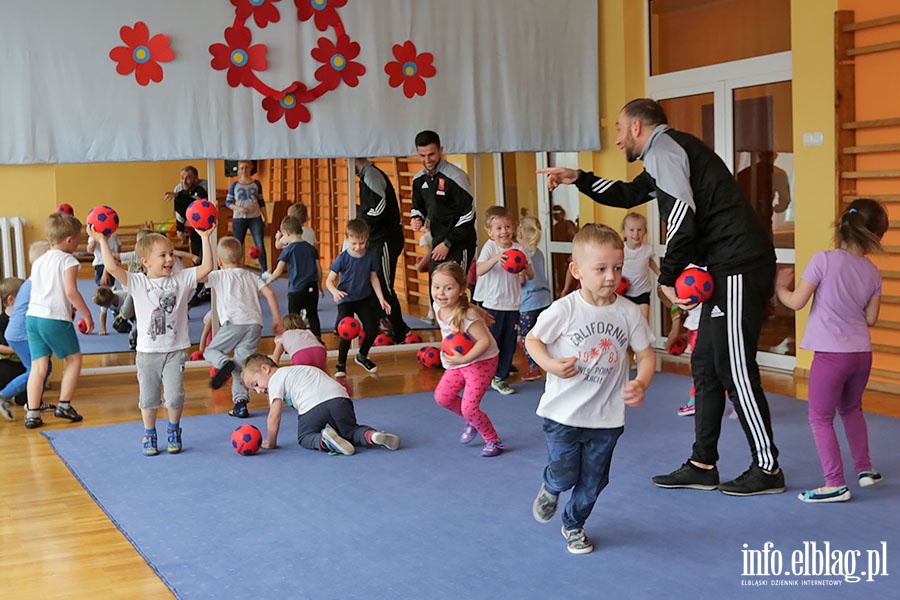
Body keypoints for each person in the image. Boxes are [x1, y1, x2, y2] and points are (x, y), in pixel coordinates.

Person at [538, 97, 783, 496]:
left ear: (637, 127)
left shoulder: (666, 150)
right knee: (706, 366)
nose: (617, 139)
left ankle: (768, 468)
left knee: (735, 368)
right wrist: (578, 177)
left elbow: (681, 218)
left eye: (618, 129)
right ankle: (703, 464)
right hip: (721, 267)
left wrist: (668, 277)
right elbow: (628, 194)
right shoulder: (666, 156)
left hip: (739, 264)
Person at [525, 224, 655, 554]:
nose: (610, 276)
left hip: (606, 417)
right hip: (562, 413)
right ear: (577, 270)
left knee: (595, 480)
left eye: (617, 267)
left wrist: (641, 381)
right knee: (566, 473)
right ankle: (552, 486)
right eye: (600, 269)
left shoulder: (628, 312)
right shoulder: (564, 309)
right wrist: (550, 365)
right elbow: (534, 339)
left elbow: (645, 353)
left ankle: (574, 524)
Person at [774, 199, 887, 503]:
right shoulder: (873, 273)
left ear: (841, 227)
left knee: (820, 418)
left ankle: (834, 483)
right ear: (875, 236)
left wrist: (780, 286)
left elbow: (796, 301)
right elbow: (871, 319)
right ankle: (865, 470)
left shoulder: (823, 260)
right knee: (852, 409)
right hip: (861, 354)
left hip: (831, 355)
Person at [90, 225, 214, 455]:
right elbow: (111, 267)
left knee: (175, 395)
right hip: (147, 353)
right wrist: (102, 241)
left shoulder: (181, 278)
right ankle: (149, 433)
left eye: (172, 254)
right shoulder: (138, 283)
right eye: (163, 255)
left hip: (175, 350)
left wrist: (205, 237)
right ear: (145, 261)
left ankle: (174, 429)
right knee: (149, 398)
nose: (170, 259)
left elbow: (206, 267)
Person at [241, 353, 400, 454]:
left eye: (255, 384)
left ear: (265, 369)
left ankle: (325, 441)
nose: (259, 391)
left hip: (312, 406)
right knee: (350, 431)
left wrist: (271, 443)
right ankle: (373, 436)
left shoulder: (275, 379)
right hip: (340, 399)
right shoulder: (297, 369)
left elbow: (274, 416)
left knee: (305, 437)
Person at [24, 213, 93, 430]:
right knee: (74, 360)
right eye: (79, 239)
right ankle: (64, 405)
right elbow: (71, 291)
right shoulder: (68, 260)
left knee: (38, 366)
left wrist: (68, 306)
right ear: (70, 240)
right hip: (53, 319)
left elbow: (45, 289)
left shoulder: (40, 260)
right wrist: (86, 314)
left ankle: (32, 414)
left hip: (33, 317)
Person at [431, 262, 504, 457]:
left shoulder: (466, 316)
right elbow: (465, 304)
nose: (441, 293)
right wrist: (481, 311)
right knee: (442, 398)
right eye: (436, 287)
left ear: (462, 290)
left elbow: (485, 341)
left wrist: (464, 357)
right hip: (458, 361)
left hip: (481, 362)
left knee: (469, 407)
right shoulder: (438, 304)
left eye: (448, 288)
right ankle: (472, 420)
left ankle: (492, 440)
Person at [205, 236, 283, 419]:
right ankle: (240, 403)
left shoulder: (218, 275)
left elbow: (200, 275)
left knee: (211, 351)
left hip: (234, 323)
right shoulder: (251, 276)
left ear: (219, 261)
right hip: (255, 325)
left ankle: (224, 363)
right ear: (242, 259)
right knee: (242, 365)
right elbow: (270, 294)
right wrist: (276, 319)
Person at [473, 206, 533, 395]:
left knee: (509, 343)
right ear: (489, 231)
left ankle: (500, 378)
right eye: (498, 228)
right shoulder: (490, 247)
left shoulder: (519, 249)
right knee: (491, 342)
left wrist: (524, 267)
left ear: (513, 228)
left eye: (507, 226)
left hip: (513, 305)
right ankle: (482, 375)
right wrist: (496, 258)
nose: (503, 231)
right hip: (492, 304)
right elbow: (479, 270)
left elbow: (531, 275)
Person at [325, 219, 391, 377]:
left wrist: (381, 298)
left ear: (367, 238)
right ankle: (340, 364)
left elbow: (373, 278)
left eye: (361, 243)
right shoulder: (343, 258)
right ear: (347, 239)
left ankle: (362, 356)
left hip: (363, 298)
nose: (358, 247)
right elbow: (328, 280)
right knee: (346, 332)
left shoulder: (370, 256)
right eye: (354, 243)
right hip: (346, 299)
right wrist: (334, 291)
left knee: (372, 330)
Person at [356, 158, 409, 342]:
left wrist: (361, 218)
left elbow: (379, 208)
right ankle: (382, 323)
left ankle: (400, 329)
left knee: (385, 287)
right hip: (376, 238)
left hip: (385, 240)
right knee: (374, 284)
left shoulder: (372, 175)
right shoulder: (364, 177)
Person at [410, 130, 477, 276]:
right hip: (437, 243)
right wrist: (416, 218)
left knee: (453, 291)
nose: (427, 160)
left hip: (459, 244)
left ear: (440, 150)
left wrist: (448, 243)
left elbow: (469, 214)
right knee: (436, 294)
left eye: (431, 154)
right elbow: (417, 206)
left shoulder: (456, 177)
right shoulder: (419, 179)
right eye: (422, 155)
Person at [0, 242, 54, 416]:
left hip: (21, 342)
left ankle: (33, 403)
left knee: (43, 366)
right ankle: (4, 396)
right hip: (15, 346)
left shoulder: (36, 283)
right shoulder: (34, 284)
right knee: (38, 368)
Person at [266, 216, 322, 339]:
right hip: (312, 287)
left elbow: (278, 271)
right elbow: (318, 269)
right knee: (313, 314)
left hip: (296, 290)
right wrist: (320, 286)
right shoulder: (311, 249)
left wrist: (267, 282)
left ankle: (295, 339)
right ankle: (318, 338)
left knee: (293, 316)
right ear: (301, 231)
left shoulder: (288, 250)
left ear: (286, 233)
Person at [164, 166, 209, 306]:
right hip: (192, 227)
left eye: (188, 177)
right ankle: (202, 288)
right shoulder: (179, 189)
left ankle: (204, 290)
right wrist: (179, 229)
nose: (184, 181)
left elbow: (198, 201)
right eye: (182, 178)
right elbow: (179, 210)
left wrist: (179, 195)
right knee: (197, 258)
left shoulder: (203, 187)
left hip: (205, 227)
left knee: (206, 258)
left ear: (195, 178)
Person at [517, 216, 552, 382]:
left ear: (522, 232)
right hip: (544, 299)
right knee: (544, 336)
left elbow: (522, 279)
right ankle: (550, 364)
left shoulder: (520, 255)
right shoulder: (539, 253)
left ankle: (534, 368)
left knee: (526, 337)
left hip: (528, 302)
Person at [226, 160, 270, 279]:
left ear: (251, 168)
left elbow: (261, 202)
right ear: (238, 170)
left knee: (259, 243)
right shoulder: (235, 185)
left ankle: (265, 270)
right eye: (241, 168)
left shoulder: (256, 184)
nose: (244, 170)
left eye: (246, 168)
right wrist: (238, 208)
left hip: (255, 217)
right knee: (238, 244)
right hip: (239, 219)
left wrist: (265, 218)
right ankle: (235, 269)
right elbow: (228, 202)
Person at [620, 212, 660, 322]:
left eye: (639, 230)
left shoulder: (647, 248)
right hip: (624, 292)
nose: (636, 233)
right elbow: (615, 266)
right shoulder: (621, 250)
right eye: (631, 230)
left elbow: (650, 261)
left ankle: (642, 339)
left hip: (643, 292)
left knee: (642, 321)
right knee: (626, 322)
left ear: (645, 232)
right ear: (624, 232)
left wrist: (659, 274)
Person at [0, 278, 26, 419]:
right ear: (11, 300)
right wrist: (15, 349)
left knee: (25, 400)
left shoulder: (26, 318)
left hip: (22, 365)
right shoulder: (2, 321)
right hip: (5, 365)